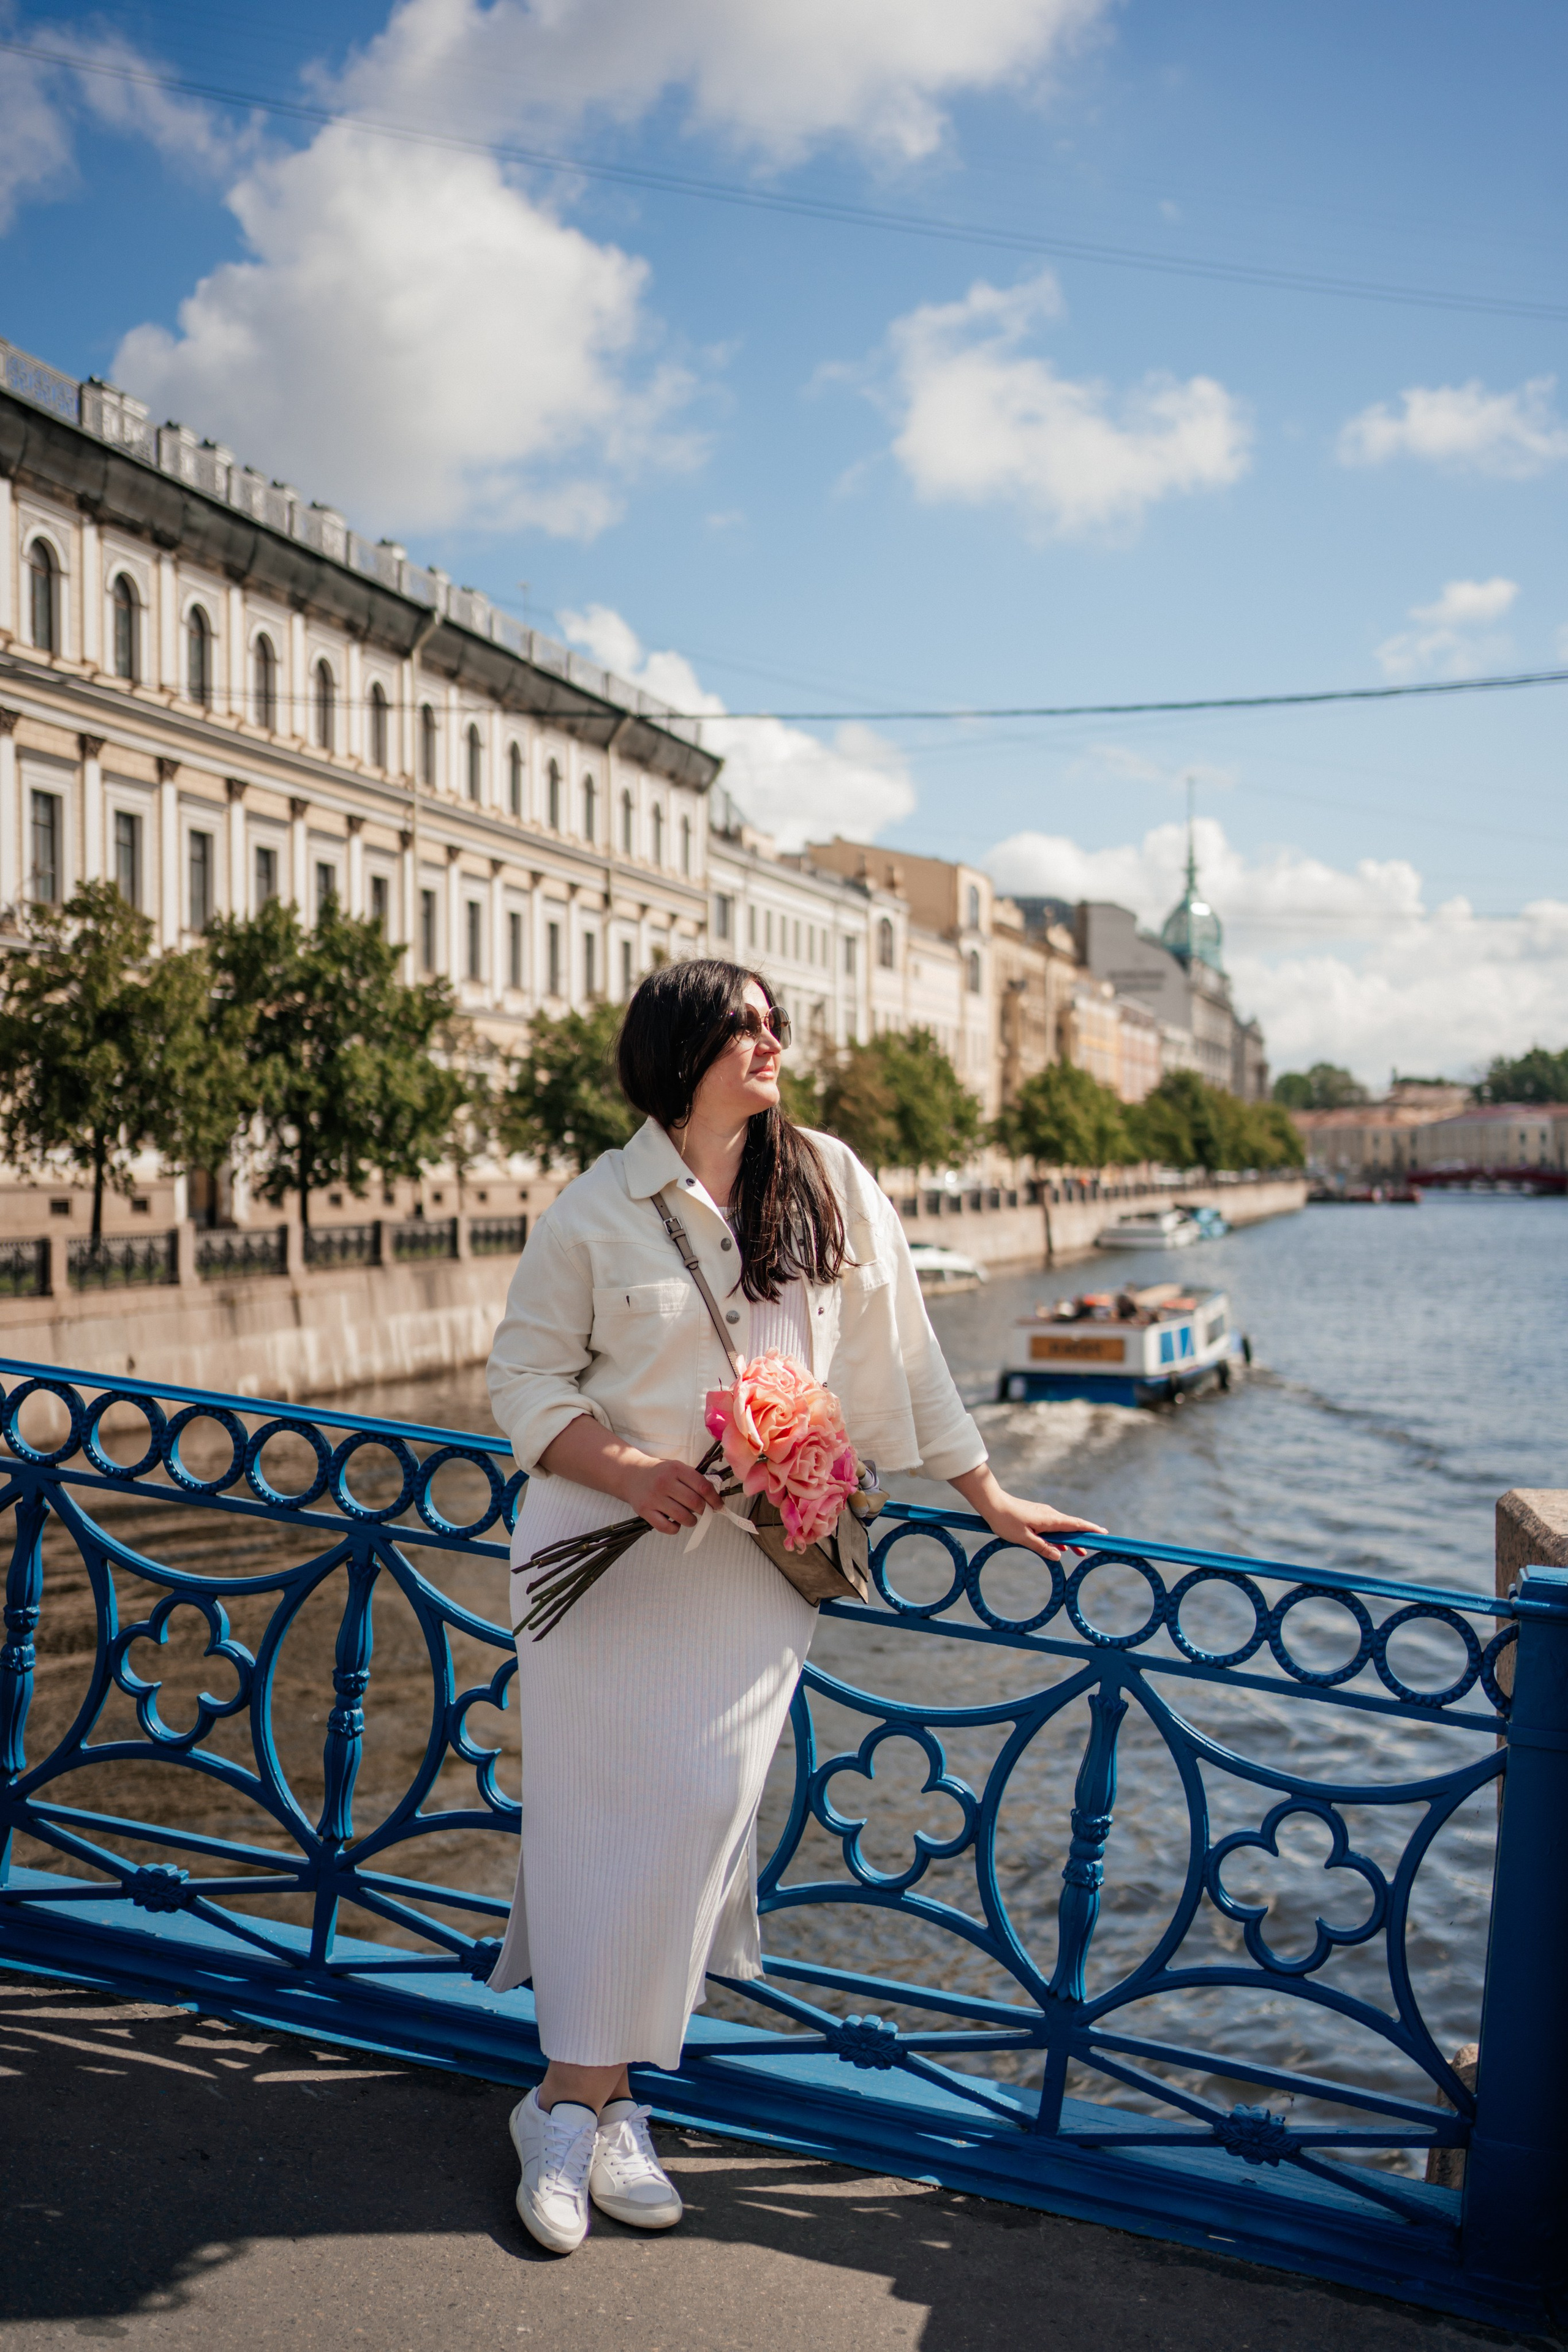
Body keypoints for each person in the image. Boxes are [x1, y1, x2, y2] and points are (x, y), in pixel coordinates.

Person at [485, 959, 1099, 2253]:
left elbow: (899, 1353)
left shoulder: (822, 1178)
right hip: (599, 1554)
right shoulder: (598, 1207)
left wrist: (986, 1493)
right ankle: (576, 2106)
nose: (769, 1044)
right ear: (676, 1056)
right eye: (741, 1029)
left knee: (697, 1822)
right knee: (595, 1822)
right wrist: (628, 1470)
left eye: (774, 1025)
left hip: (753, 1563)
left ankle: (586, 2098)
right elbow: (525, 1382)